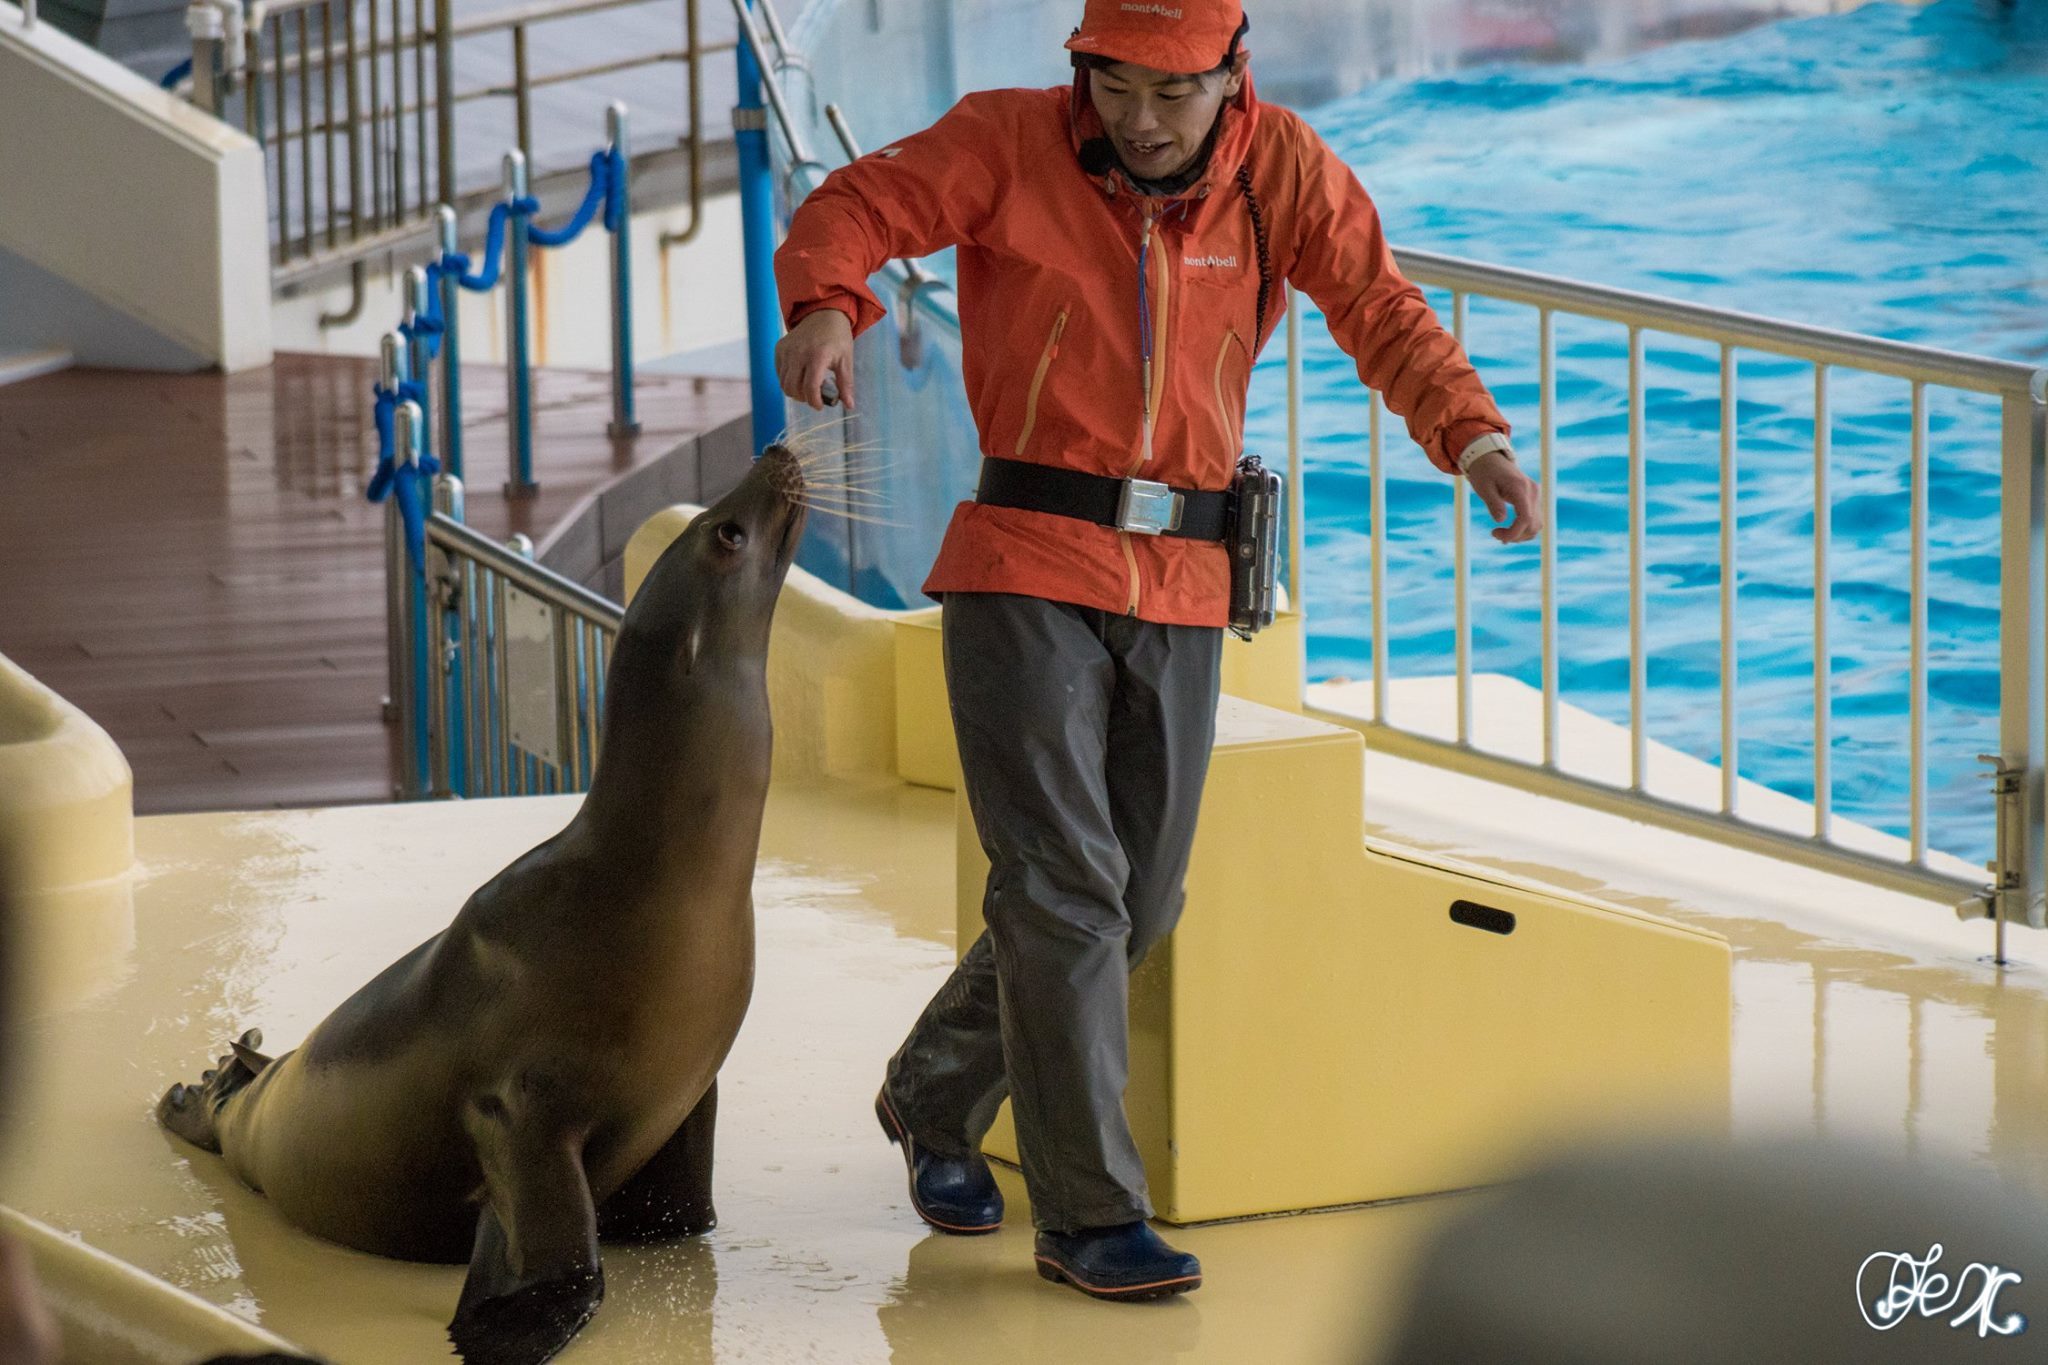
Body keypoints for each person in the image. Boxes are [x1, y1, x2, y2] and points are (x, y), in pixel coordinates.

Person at [774, 0, 1541, 1302]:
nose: (1138, 119)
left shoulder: (1284, 168)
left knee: (1136, 898)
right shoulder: (1009, 142)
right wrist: (826, 307)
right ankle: (1088, 1212)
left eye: (1171, 95)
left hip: (1184, 574)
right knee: (1066, 879)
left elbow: (1376, 301)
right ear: (1085, 67)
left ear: (1232, 80)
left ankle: (931, 1088)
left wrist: (1473, 438)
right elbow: (859, 204)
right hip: (1023, 556)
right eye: (1115, 86)